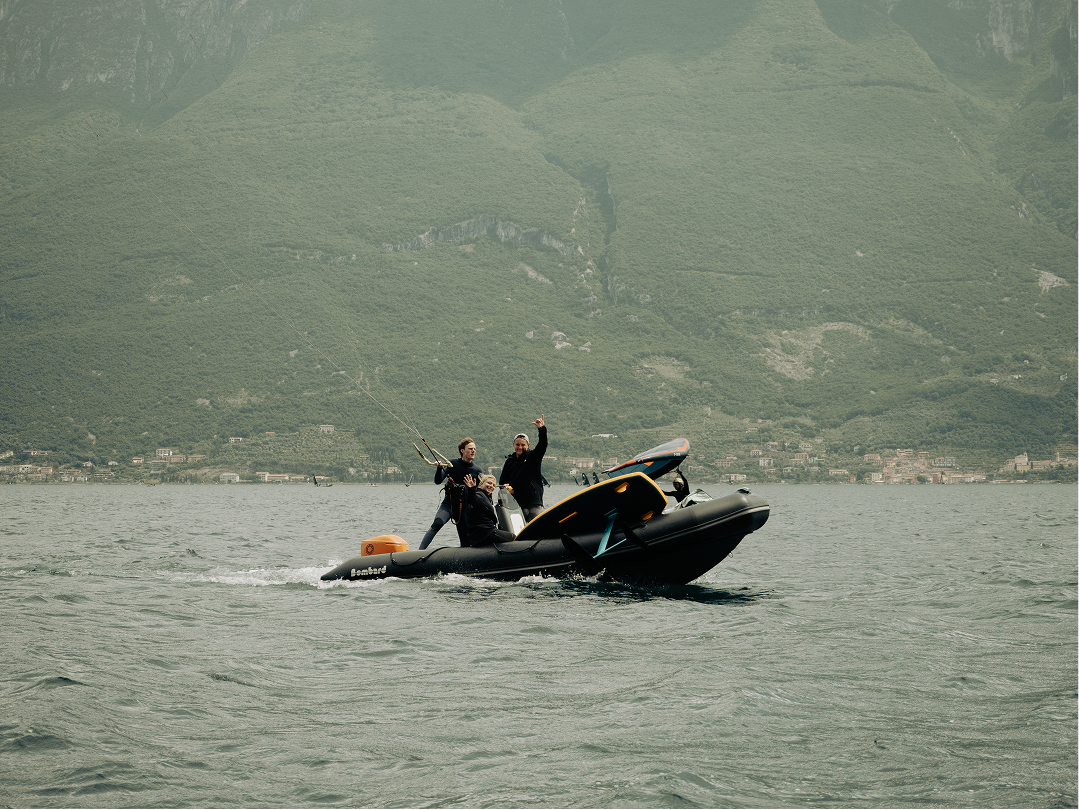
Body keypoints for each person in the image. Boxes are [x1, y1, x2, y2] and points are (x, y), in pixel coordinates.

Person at [418, 437, 484, 550]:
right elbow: (438, 481)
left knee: (465, 540)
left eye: (474, 449)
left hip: (464, 509)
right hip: (448, 505)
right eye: (470, 449)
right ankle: (420, 551)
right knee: (437, 524)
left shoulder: (477, 470)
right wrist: (439, 469)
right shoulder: (452, 464)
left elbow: (480, 494)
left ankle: (464, 557)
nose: (473, 451)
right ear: (462, 450)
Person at [498, 415, 547, 522]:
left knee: (535, 527)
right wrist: (505, 487)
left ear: (528, 445)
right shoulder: (509, 461)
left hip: (534, 502)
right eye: (517, 444)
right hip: (516, 503)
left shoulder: (533, 457)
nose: (520, 447)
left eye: (523, 445)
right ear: (513, 445)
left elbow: (542, 445)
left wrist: (542, 429)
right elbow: (502, 481)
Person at [462, 473, 515, 546]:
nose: (491, 486)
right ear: (481, 483)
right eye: (489, 483)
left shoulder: (486, 496)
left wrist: (505, 489)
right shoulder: (478, 494)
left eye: (493, 485)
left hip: (485, 532)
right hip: (484, 533)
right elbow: (472, 499)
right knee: (513, 537)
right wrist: (471, 489)